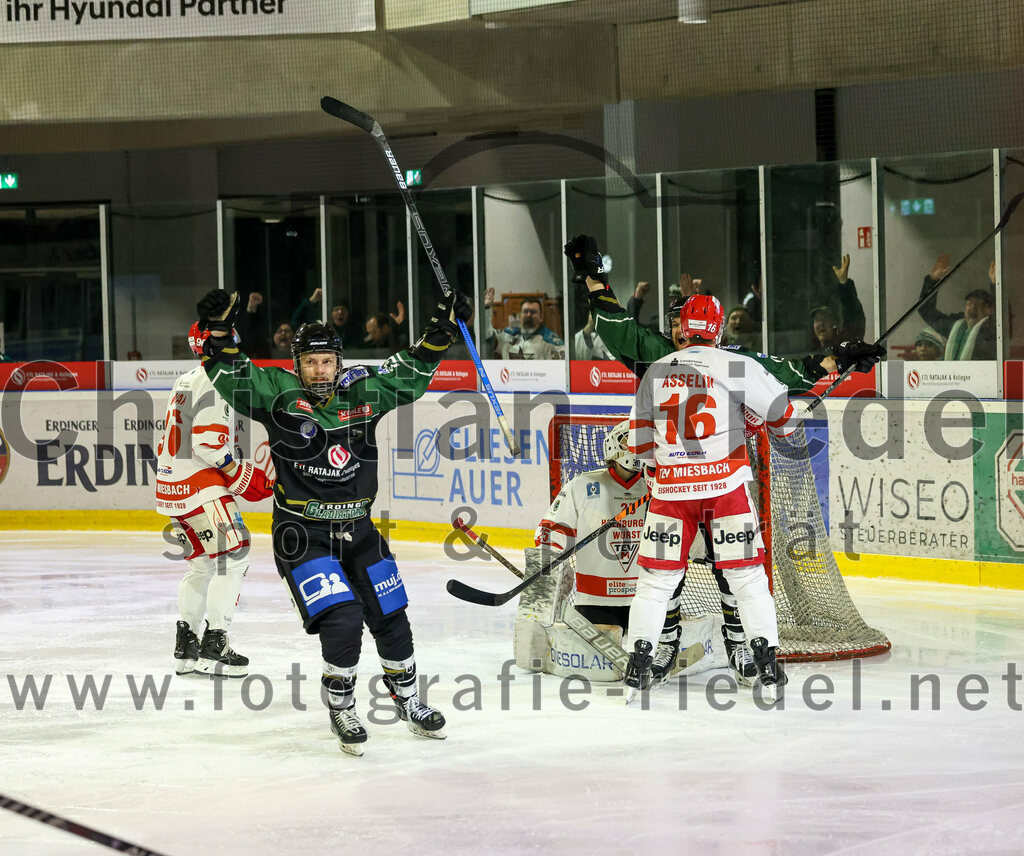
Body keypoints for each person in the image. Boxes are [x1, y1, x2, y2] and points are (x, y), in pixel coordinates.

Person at [564, 234, 884, 686]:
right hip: (722, 486)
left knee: (678, 574)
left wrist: (836, 358)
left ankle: (715, 646)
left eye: (681, 321)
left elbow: (785, 370)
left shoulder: (666, 364)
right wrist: (594, 280)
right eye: (672, 322)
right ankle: (705, 646)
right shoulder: (704, 359)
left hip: (673, 490)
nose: (677, 331)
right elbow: (781, 397)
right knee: (731, 573)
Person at [195, 286, 470, 755]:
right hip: (301, 535)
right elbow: (232, 373)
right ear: (297, 364)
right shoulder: (276, 393)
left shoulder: (364, 391)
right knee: (343, 618)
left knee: (391, 616)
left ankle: (407, 700)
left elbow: (411, 371)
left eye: (326, 361)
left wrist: (441, 330)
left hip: (359, 529)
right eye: (310, 362)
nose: (319, 370)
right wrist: (219, 332)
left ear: (339, 362)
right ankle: (342, 707)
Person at [625, 294, 799, 701]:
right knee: (747, 579)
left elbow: (639, 446)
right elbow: (786, 421)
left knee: (655, 583)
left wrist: (668, 469)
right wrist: (752, 419)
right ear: (718, 329)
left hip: (671, 494)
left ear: (683, 329)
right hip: (725, 490)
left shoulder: (656, 370)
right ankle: (767, 665)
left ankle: (638, 666)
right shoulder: (735, 365)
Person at [521, 420, 693, 685]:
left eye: (643, 444)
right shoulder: (582, 486)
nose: (636, 449)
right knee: (599, 675)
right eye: (629, 442)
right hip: (595, 603)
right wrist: (551, 569)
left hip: (647, 601)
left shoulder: (660, 488)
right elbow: (551, 535)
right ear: (613, 445)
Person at [156, 322, 274, 680]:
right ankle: (215, 648)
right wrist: (239, 474)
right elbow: (207, 444)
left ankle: (186, 650)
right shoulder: (215, 381)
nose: (235, 342)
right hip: (200, 489)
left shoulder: (185, 379)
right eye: (227, 338)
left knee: (202, 567)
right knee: (234, 559)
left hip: (171, 490)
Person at [917, 255, 997, 360]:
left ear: (990, 310)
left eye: (979, 304)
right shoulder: (956, 325)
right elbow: (925, 310)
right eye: (969, 303)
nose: (972, 307)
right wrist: (932, 280)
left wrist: (996, 285)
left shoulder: (993, 328)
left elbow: (1003, 315)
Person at [808, 254, 866, 351]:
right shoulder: (808, 352)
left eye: (825, 318)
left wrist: (844, 285)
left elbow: (855, 317)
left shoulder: (846, 346)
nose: (821, 323)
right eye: (817, 319)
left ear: (835, 323)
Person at [484, 290, 565, 359]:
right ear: (520, 316)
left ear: (541, 317)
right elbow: (488, 336)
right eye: (525, 311)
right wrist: (486, 308)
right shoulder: (508, 335)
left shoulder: (551, 341)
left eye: (533, 312)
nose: (528, 315)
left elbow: (560, 368)